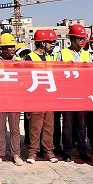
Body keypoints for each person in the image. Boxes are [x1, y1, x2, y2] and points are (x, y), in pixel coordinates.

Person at [57, 24, 92, 163]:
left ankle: (82, 150)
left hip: (82, 94)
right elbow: (56, 73)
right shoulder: (62, 54)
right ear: (72, 39)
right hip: (67, 94)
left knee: (81, 126)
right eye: (79, 38)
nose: (82, 41)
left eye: (83, 38)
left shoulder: (87, 55)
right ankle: (67, 151)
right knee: (67, 125)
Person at [25, 29, 58, 164]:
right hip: (36, 97)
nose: (52, 44)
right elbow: (26, 79)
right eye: (50, 42)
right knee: (35, 126)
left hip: (48, 96)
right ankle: (33, 152)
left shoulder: (50, 57)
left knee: (49, 126)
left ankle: (48, 151)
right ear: (42, 43)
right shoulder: (29, 57)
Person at [0, 33, 25, 165]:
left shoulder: (18, 62)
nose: (13, 49)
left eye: (13, 46)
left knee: (15, 128)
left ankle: (16, 154)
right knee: (0, 128)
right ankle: (0, 153)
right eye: (10, 46)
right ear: (3, 48)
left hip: (14, 99)